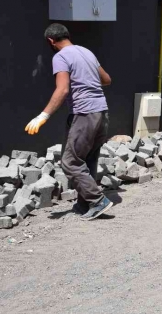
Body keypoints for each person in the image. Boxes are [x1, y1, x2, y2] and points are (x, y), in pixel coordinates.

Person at [25, 23, 114, 220]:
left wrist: (43, 116)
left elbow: (62, 89)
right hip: (102, 112)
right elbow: (106, 79)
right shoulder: (87, 52)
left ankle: (98, 201)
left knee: (70, 162)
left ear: (51, 41)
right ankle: (86, 203)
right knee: (87, 159)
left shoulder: (61, 56)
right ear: (67, 36)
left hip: (84, 114)